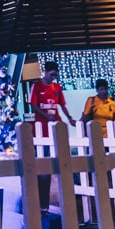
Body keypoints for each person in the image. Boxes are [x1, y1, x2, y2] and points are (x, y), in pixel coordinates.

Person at [28, 61, 75, 213]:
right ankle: (41, 202)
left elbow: (62, 105)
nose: (53, 77)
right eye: (51, 74)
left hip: (56, 128)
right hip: (41, 130)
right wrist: (44, 116)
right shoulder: (37, 86)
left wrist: (69, 118)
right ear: (45, 72)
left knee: (61, 162)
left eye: (55, 74)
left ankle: (63, 196)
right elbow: (33, 105)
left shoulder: (57, 88)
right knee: (43, 164)